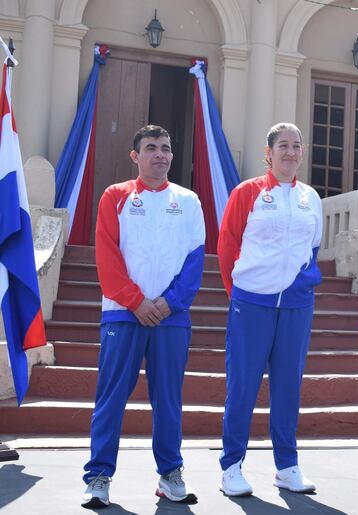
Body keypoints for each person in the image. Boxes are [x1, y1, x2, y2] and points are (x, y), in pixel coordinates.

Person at [81, 125, 205, 508]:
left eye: (166, 149)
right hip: (122, 315)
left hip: (171, 317)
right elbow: (107, 255)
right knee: (111, 398)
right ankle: (99, 477)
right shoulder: (115, 197)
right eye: (151, 148)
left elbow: (195, 259)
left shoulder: (188, 201)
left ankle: (170, 474)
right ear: (136, 156)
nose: (160, 155)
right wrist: (136, 302)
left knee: (168, 400)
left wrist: (170, 303)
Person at [217, 122, 323, 495]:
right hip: (252, 302)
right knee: (243, 386)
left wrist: (300, 285)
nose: (291, 152)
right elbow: (228, 247)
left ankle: (287, 466)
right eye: (283, 145)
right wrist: (240, 294)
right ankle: (231, 466)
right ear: (269, 152)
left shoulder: (310, 197)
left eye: (296, 145)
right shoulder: (247, 192)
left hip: (296, 305)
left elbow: (313, 249)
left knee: (288, 387)